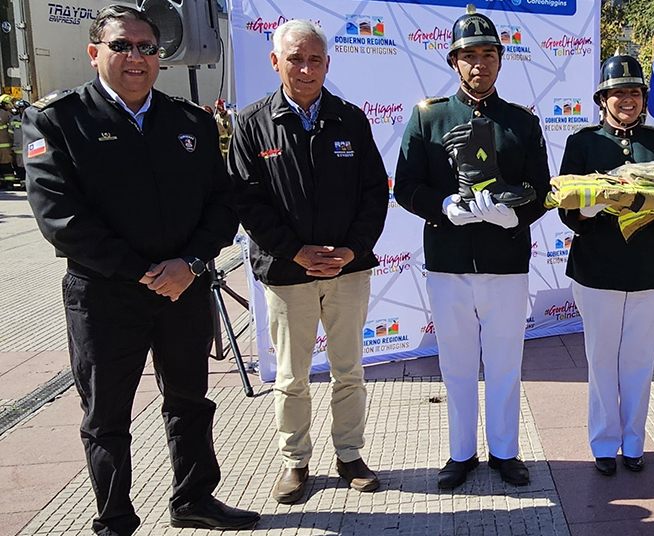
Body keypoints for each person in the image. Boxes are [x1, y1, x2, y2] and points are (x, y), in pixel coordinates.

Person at [23, 5, 259, 535]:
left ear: (160, 57)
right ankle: (114, 520)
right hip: (106, 296)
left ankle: (194, 499)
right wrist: (145, 272)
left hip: (184, 290)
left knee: (190, 401)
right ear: (95, 53)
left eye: (147, 48)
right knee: (106, 417)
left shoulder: (190, 122)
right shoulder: (57, 120)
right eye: (122, 46)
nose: (136, 57)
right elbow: (61, 218)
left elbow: (222, 205)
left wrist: (192, 265)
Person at [229, 19, 389, 503]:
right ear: (275, 62)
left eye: (314, 59)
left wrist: (351, 250)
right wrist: (295, 251)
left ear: (327, 63)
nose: (304, 68)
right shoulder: (252, 122)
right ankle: (295, 463)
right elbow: (246, 200)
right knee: (292, 378)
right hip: (286, 273)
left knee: (349, 371)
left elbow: (373, 194)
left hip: (348, 271)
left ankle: (349, 455)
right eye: (294, 58)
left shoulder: (351, 118)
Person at [393, 5, 550, 490]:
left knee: (505, 363)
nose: (479, 64)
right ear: (453, 61)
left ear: (501, 61)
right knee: (457, 364)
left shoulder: (521, 122)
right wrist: (442, 206)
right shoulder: (428, 118)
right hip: (450, 260)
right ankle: (461, 453)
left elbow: (542, 189)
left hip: (505, 261)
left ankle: (505, 452)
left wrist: (515, 215)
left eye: (488, 54)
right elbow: (405, 186)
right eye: (468, 55)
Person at [558, 53, 654, 476]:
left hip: (648, 267)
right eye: (618, 93)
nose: (626, 100)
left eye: (633, 92)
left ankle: (634, 442)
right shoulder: (583, 143)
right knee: (601, 360)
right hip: (597, 269)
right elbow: (565, 207)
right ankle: (603, 442)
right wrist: (592, 205)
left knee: (639, 362)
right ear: (603, 98)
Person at [0, 95, 15, 187]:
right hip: (5, 145)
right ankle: (9, 182)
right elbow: (12, 132)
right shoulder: (6, 114)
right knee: (6, 164)